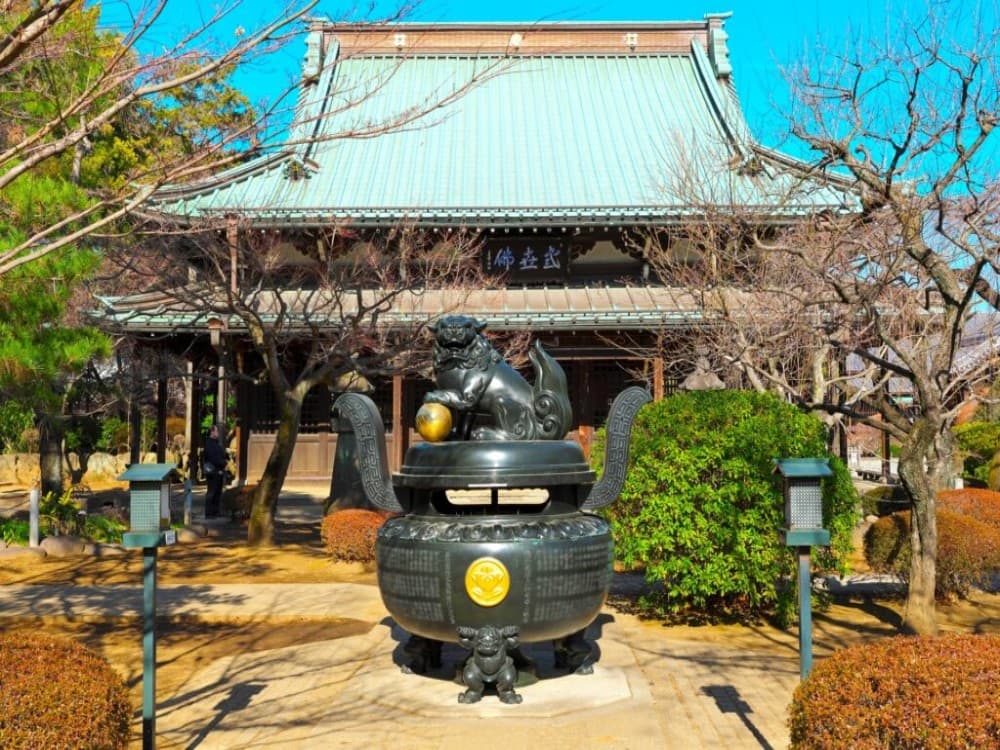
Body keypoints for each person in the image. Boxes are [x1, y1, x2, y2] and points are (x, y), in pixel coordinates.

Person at [203, 424, 227, 518]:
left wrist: (224, 463)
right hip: (212, 471)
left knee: (218, 492)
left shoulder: (215, 443)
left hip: (219, 470)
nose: (217, 433)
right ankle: (209, 513)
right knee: (212, 491)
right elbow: (213, 457)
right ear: (212, 432)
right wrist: (223, 464)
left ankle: (216, 511)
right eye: (216, 431)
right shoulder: (209, 443)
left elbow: (220, 455)